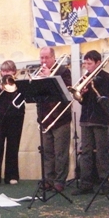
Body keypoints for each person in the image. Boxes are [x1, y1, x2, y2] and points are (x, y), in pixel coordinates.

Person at [71, 50, 109, 195]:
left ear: (98, 63)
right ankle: (85, 184)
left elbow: (104, 98)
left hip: (100, 119)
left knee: (102, 152)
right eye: (85, 63)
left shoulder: (105, 77)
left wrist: (92, 85)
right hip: (86, 118)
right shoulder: (85, 77)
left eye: (89, 63)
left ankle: (103, 183)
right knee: (86, 152)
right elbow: (82, 101)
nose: (86, 66)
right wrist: (81, 94)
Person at [0, 60, 25, 186]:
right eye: (3, 71)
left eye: (8, 70)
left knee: (13, 147)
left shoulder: (19, 85)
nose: (5, 73)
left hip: (16, 118)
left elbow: (24, 99)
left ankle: (12, 176)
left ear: (14, 71)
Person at [38, 46, 72, 193]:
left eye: (46, 57)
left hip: (60, 118)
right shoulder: (39, 72)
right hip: (45, 117)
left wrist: (50, 76)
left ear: (53, 58)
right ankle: (48, 180)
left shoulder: (63, 71)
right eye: (41, 58)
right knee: (47, 152)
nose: (44, 61)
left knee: (60, 152)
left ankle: (59, 181)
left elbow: (66, 91)